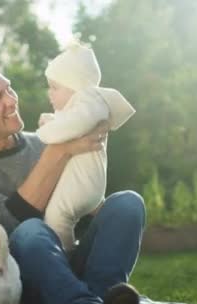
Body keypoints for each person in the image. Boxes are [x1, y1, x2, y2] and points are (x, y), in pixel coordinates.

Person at [0, 58, 146, 304]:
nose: (12, 101)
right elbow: (10, 224)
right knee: (30, 230)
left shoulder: (47, 138)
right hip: (22, 289)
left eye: (9, 89)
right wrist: (59, 151)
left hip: (71, 268)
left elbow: (79, 201)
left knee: (127, 203)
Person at [37, 40, 136, 251]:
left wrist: (46, 130)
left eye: (54, 87)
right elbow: (72, 122)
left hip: (85, 184)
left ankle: (66, 256)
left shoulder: (89, 99)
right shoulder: (84, 105)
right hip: (87, 183)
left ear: (76, 88)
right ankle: (82, 251)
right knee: (59, 217)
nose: (49, 93)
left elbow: (74, 125)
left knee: (57, 216)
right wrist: (53, 121)